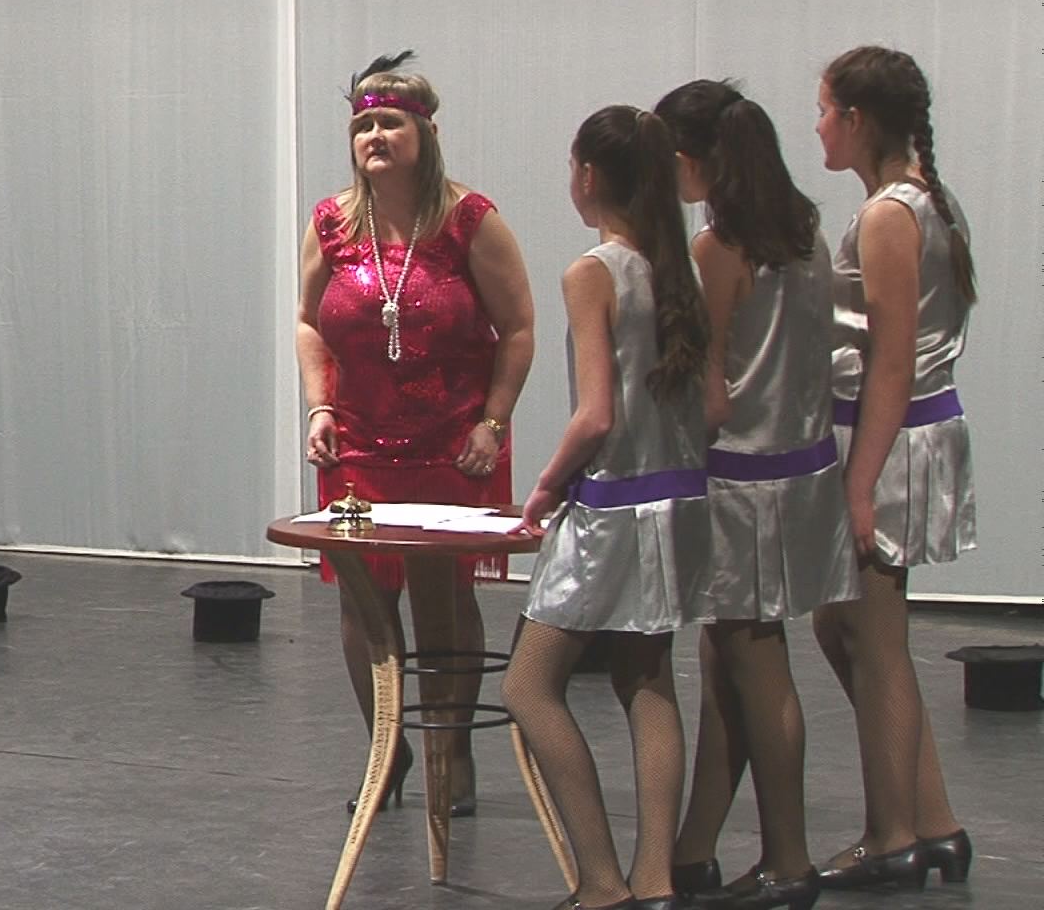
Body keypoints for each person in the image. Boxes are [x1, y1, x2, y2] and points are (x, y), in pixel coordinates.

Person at [296, 51, 535, 815]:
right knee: (363, 600)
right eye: (362, 126)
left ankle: (448, 753)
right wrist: (319, 407)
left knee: (441, 596)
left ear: (425, 134)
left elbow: (518, 327)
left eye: (390, 124)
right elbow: (308, 322)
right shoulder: (331, 223)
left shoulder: (469, 220)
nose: (373, 137)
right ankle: (387, 749)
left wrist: (494, 422)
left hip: (449, 448)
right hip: (358, 448)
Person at [653, 80, 859, 910]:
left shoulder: (718, 249)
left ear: (689, 159)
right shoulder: (804, 235)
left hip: (741, 481)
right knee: (728, 660)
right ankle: (696, 847)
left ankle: (788, 859)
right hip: (803, 470)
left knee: (758, 665)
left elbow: (709, 397)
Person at [502, 105, 711, 910]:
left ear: (588, 176)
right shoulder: (677, 269)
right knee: (648, 679)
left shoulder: (595, 272)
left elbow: (596, 415)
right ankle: (655, 878)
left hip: (613, 508)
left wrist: (547, 485)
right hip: (676, 501)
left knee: (528, 685)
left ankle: (600, 880)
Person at [809, 46, 974, 891]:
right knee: (844, 628)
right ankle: (932, 821)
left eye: (825, 110)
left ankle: (892, 834)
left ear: (857, 119)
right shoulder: (919, 201)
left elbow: (892, 360)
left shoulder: (889, 215)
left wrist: (859, 483)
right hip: (895, 434)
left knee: (874, 639)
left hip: (889, 439)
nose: (817, 127)